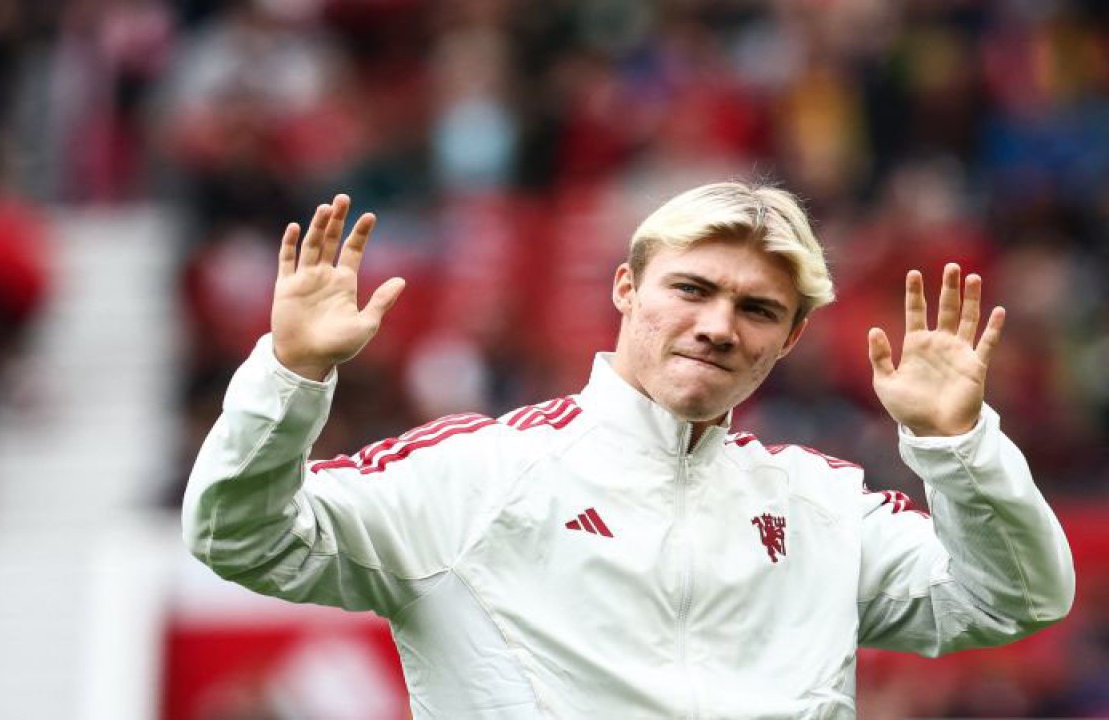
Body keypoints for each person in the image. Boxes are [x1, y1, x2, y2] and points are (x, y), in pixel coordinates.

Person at [182, 182, 1075, 718]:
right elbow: (240, 535)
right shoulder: (477, 474)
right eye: (690, 289)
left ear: (791, 339)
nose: (718, 326)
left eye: (757, 309)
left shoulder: (822, 504)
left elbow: (1018, 596)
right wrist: (291, 373)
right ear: (625, 288)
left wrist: (956, 442)